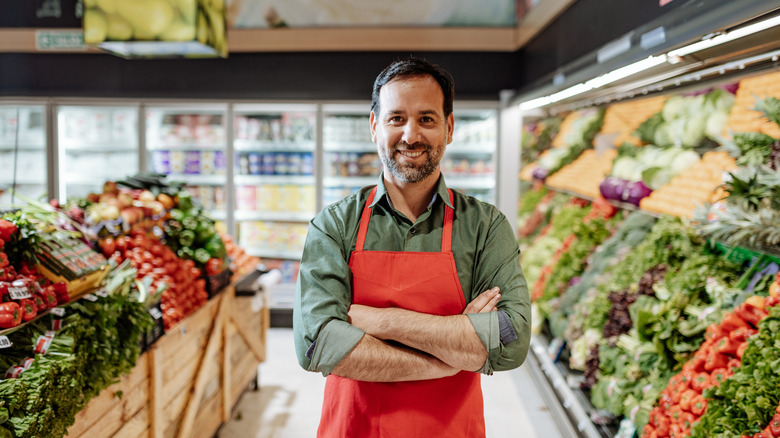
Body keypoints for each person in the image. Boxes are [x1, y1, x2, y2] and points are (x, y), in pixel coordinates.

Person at [293, 57, 531, 437]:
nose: (410, 135)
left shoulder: (485, 226)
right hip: (355, 427)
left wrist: (378, 321)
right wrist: (451, 354)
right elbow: (317, 344)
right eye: (396, 118)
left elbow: (510, 339)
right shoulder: (336, 224)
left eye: (427, 119)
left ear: (449, 128)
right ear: (374, 126)